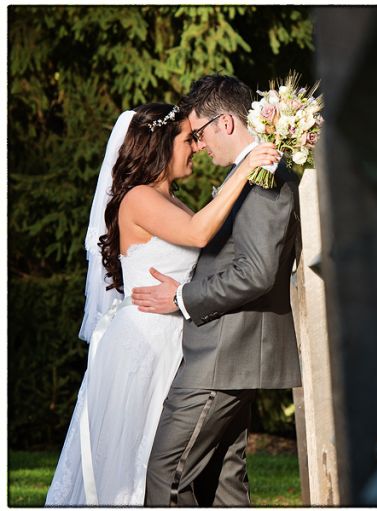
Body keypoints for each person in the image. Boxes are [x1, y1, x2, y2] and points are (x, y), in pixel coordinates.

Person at [45, 103, 280, 506]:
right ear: (159, 144)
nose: (196, 147)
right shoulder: (137, 198)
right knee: (135, 463)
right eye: (187, 139)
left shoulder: (175, 200)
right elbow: (198, 234)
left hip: (176, 338)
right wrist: (245, 167)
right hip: (145, 344)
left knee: (174, 459)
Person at [133, 75, 302, 506]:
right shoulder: (250, 172)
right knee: (222, 484)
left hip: (221, 355)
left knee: (167, 476)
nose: (200, 145)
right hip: (231, 353)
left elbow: (257, 271)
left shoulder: (263, 175)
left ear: (226, 123)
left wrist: (183, 298)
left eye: (201, 133)